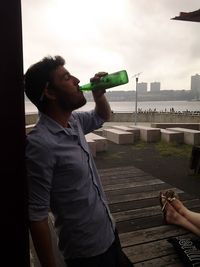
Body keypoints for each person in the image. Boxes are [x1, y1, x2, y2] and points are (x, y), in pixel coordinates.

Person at [24, 55, 133, 267]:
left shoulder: (73, 121)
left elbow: (102, 115)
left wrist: (98, 94)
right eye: (66, 77)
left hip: (109, 232)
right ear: (50, 92)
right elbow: (36, 216)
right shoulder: (41, 145)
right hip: (86, 253)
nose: (76, 80)